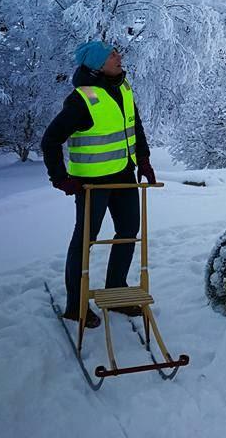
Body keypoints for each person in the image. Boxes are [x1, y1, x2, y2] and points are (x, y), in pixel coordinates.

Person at [41, 41, 156, 328]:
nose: (119, 57)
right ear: (96, 64)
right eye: (111, 55)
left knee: (129, 231)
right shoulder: (82, 98)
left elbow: (134, 126)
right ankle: (75, 305)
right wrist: (60, 178)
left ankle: (116, 291)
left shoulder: (123, 88)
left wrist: (143, 160)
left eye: (117, 52)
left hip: (123, 174)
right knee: (85, 239)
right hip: (92, 183)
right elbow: (50, 140)